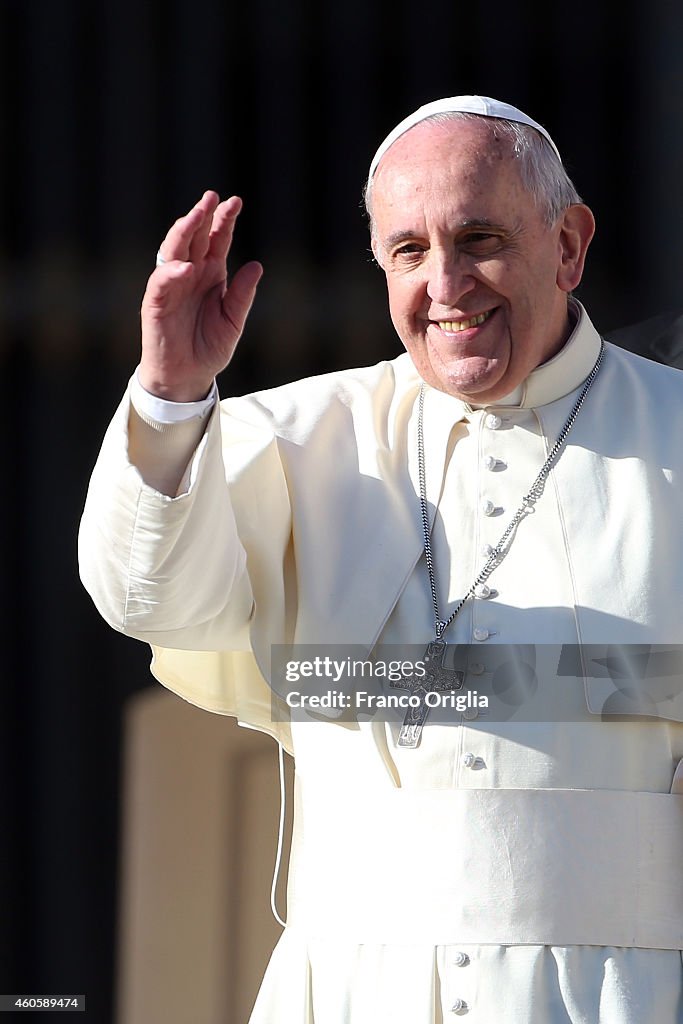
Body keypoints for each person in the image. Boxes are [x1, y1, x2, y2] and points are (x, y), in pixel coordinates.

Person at [79, 96, 683, 1022]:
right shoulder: (290, 438)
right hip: (354, 990)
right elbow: (146, 600)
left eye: (479, 238)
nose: (444, 283)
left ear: (567, 245)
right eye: (408, 251)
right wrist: (169, 395)